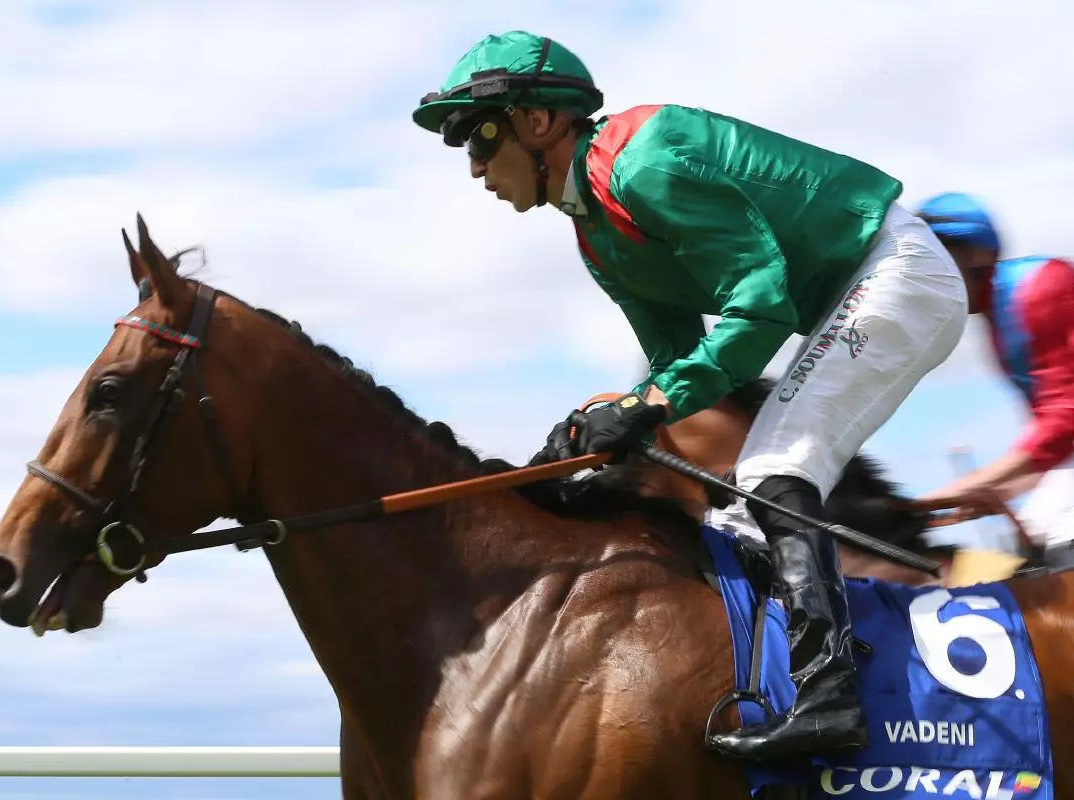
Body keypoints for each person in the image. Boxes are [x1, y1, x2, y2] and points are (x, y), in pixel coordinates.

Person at [412, 30, 968, 763]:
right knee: (743, 507)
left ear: (539, 122)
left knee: (776, 468)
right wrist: (601, 428)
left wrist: (645, 408)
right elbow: (679, 365)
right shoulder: (594, 231)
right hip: (847, 295)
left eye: (480, 136)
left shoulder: (644, 162)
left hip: (897, 272)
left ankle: (831, 702)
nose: (476, 165)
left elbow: (760, 305)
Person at [916, 192, 1074, 568]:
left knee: (1055, 537)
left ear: (978, 257)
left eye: (935, 259)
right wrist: (993, 492)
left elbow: (1065, 416)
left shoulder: (1039, 288)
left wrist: (973, 484)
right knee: (1034, 548)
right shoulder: (997, 316)